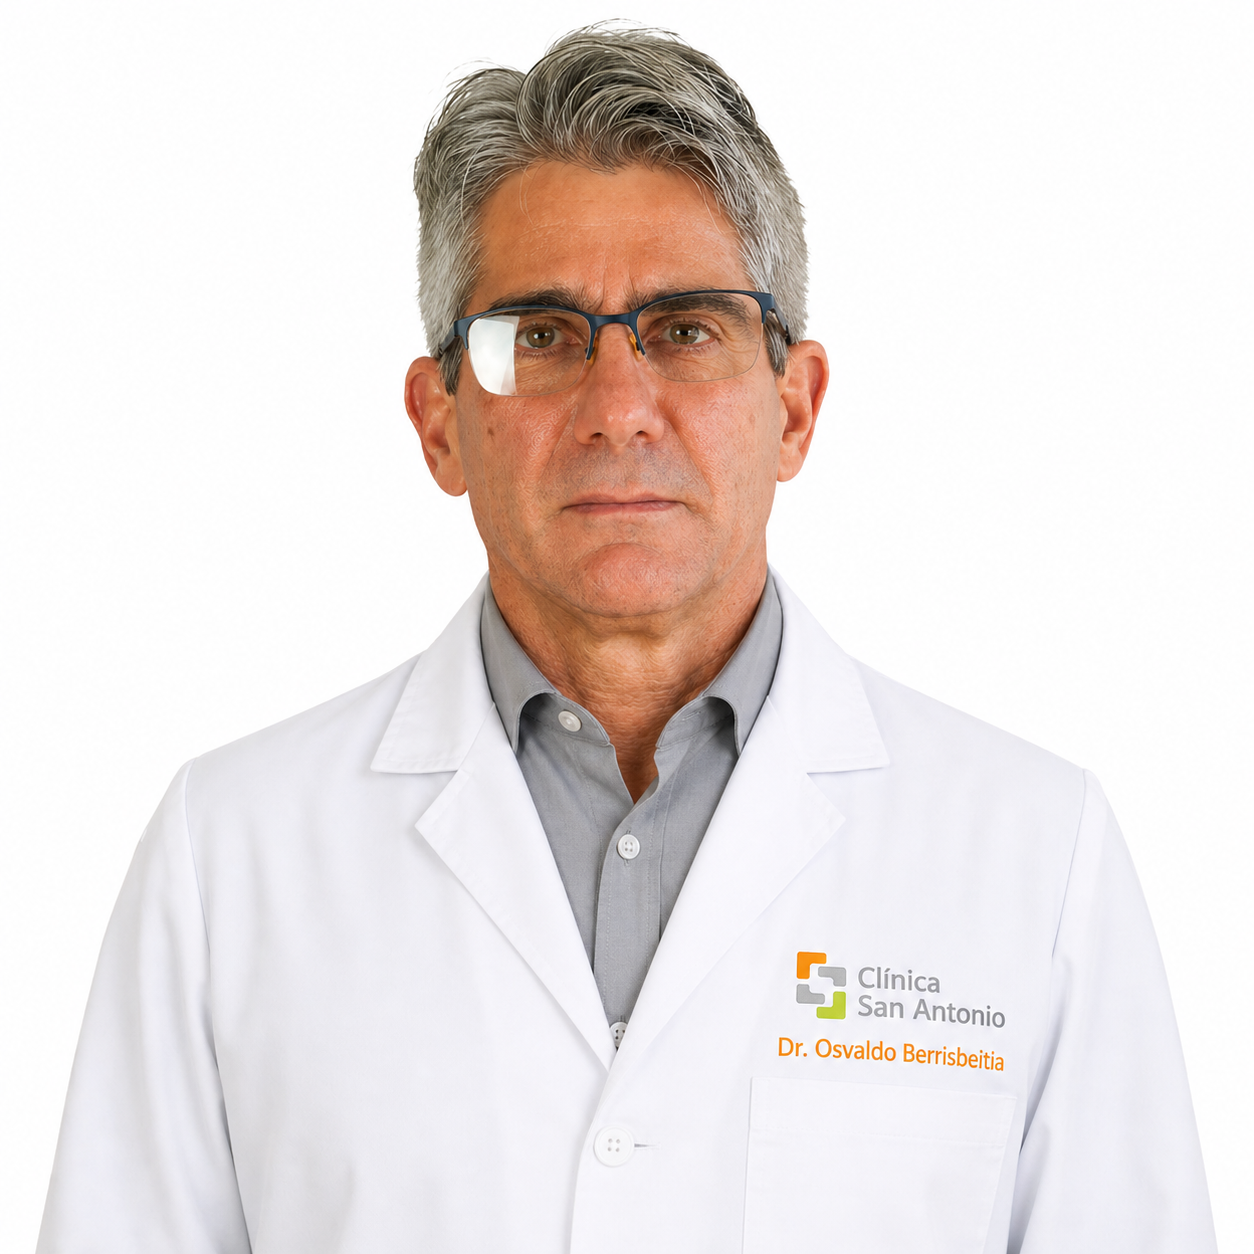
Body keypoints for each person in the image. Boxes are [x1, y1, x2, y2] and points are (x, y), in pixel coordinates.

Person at [38, 26, 1215, 1254]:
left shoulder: (1033, 854)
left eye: (688, 328)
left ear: (795, 407)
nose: (618, 409)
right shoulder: (232, 857)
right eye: (541, 335)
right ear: (439, 421)